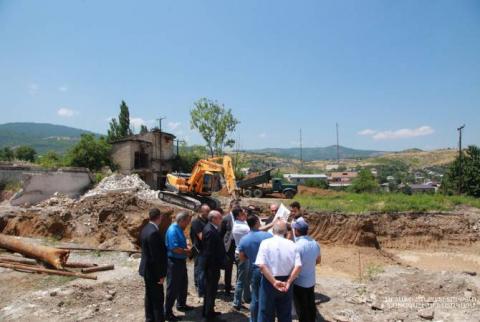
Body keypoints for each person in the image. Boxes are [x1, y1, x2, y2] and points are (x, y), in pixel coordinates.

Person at [255, 220, 302, 322]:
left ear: (272, 230)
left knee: (266, 314)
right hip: (286, 282)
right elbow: (298, 266)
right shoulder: (293, 244)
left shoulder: (265, 243)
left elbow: (261, 266)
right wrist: (289, 282)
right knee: (285, 314)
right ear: (285, 231)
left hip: (269, 281)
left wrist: (274, 282)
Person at [238, 214, 273, 322]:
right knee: (268, 297)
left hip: (255, 269)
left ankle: (253, 319)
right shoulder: (267, 236)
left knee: (255, 297)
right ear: (257, 222)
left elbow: (242, 258)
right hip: (268, 270)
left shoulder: (244, 239)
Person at [139, 208, 169, 322]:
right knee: (157, 299)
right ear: (159, 217)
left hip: (147, 270)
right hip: (153, 272)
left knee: (149, 296)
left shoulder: (146, 229)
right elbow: (156, 257)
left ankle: (149, 318)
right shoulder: (154, 233)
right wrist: (160, 275)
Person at [165, 212, 193, 321]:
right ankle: (167, 312)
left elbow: (180, 244)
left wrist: (187, 247)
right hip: (174, 262)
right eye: (187, 221)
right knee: (172, 288)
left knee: (183, 284)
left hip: (180, 261)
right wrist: (187, 251)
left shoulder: (179, 228)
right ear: (182, 220)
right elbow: (174, 248)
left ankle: (181, 304)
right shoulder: (173, 230)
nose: (188, 224)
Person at [292, 218, 321, 322]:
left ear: (297, 231)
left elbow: (294, 266)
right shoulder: (315, 243)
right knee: (310, 304)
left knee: (301, 308)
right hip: (311, 280)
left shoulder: (297, 246)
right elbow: (318, 261)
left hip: (299, 282)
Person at [202, 210, 226, 321]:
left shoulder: (212, 229)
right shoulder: (210, 231)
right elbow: (209, 252)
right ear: (213, 219)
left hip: (213, 265)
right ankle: (208, 315)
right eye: (219, 218)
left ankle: (209, 310)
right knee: (210, 290)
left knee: (212, 290)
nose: (221, 220)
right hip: (211, 266)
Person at [231, 207, 251, 310]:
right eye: (243, 213)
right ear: (238, 215)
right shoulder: (240, 226)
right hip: (242, 255)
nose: (245, 214)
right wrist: (273, 222)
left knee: (245, 277)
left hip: (243, 254)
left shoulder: (241, 223)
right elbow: (255, 229)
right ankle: (236, 302)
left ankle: (246, 297)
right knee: (241, 279)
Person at [190, 204, 210, 297]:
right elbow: (201, 236)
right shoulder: (196, 222)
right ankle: (199, 288)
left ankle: (203, 286)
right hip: (199, 249)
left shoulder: (207, 220)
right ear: (202, 212)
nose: (209, 213)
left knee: (204, 270)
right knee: (199, 269)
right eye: (207, 211)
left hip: (206, 249)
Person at [220, 199, 239, 295]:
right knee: (228, 267)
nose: (237, 209)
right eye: (235, 207)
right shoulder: (226, 218)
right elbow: (221, 233)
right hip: (229, 245)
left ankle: (238, 287)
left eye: (238, 207)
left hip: (238, 245)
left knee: (239, 266)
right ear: (231, 207)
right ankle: (227, 288)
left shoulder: (240, 217)